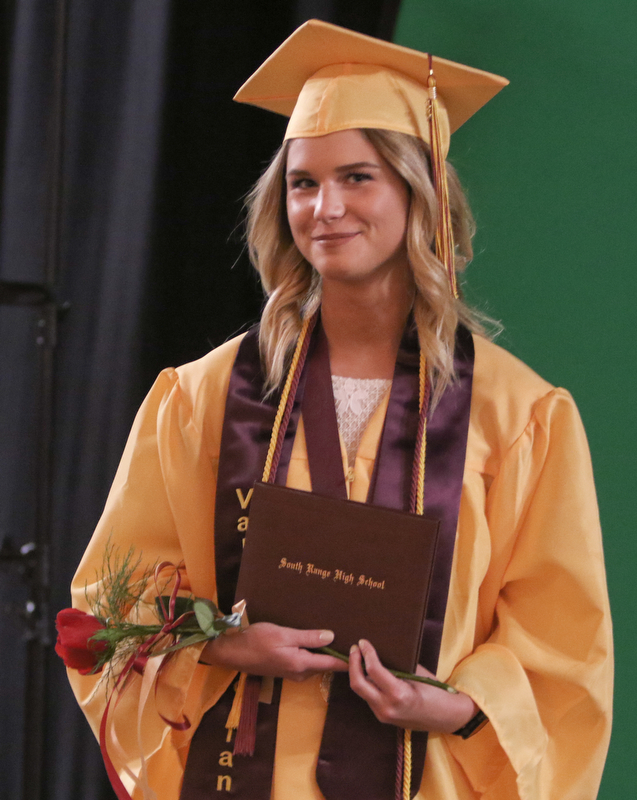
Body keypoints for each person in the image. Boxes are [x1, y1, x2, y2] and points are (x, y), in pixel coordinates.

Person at [67, 19, 613, 800]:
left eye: (358, 177)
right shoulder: (204, 395)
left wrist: (454, 704)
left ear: (416, 191)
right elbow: (109, 609)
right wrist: (224, 647)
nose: (325, 207)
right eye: (302, 181)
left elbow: (562, 651)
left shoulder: (516, 414)